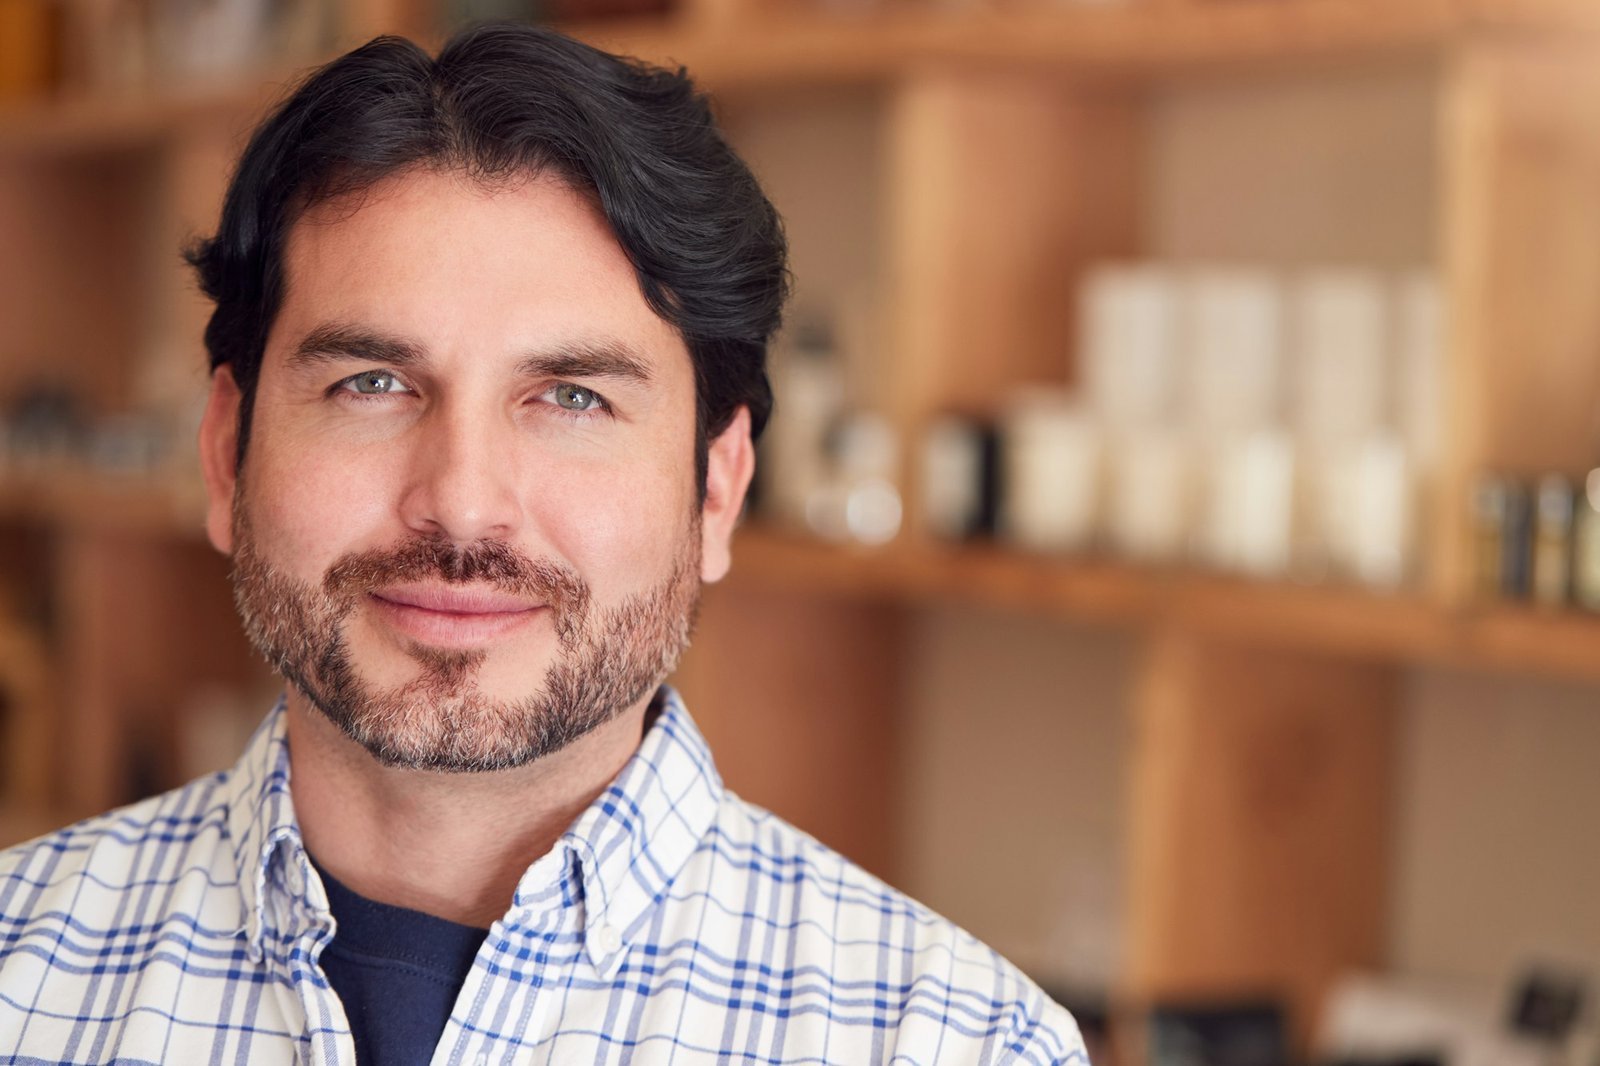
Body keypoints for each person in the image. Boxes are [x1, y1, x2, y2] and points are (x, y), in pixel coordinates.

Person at [0, 23, 1084, 1065]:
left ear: (718, 486)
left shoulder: (955, 1042)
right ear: (227, 452)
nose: (463, 505)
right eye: (371, 384)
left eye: (571, 396)